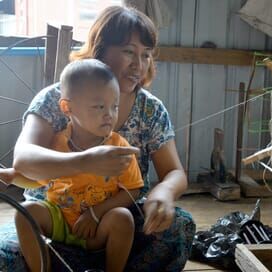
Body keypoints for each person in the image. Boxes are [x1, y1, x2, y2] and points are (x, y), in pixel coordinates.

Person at [0, 4, 195, 272]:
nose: (138, 64)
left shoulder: (150, 109)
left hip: (111, 225)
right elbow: (24, 159)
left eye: (146, 55)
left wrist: (164, 192)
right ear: (100, 50)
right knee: (4, 254)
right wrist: (85, 162)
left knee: (180, 228)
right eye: (128, 52)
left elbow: (174, 172)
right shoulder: (56, 99)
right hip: (53, 218)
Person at [14, 59, 144, 272]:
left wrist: (96, 213)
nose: (109, 114)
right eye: (99, 107)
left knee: (123, 218)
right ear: (67, 107)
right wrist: (13, 176)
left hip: (96, 229)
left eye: (115, 106)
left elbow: (133, 189)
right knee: (26, 212)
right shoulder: (57, 143)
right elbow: (38, 180)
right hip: (59, 221)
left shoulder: (117, 147)